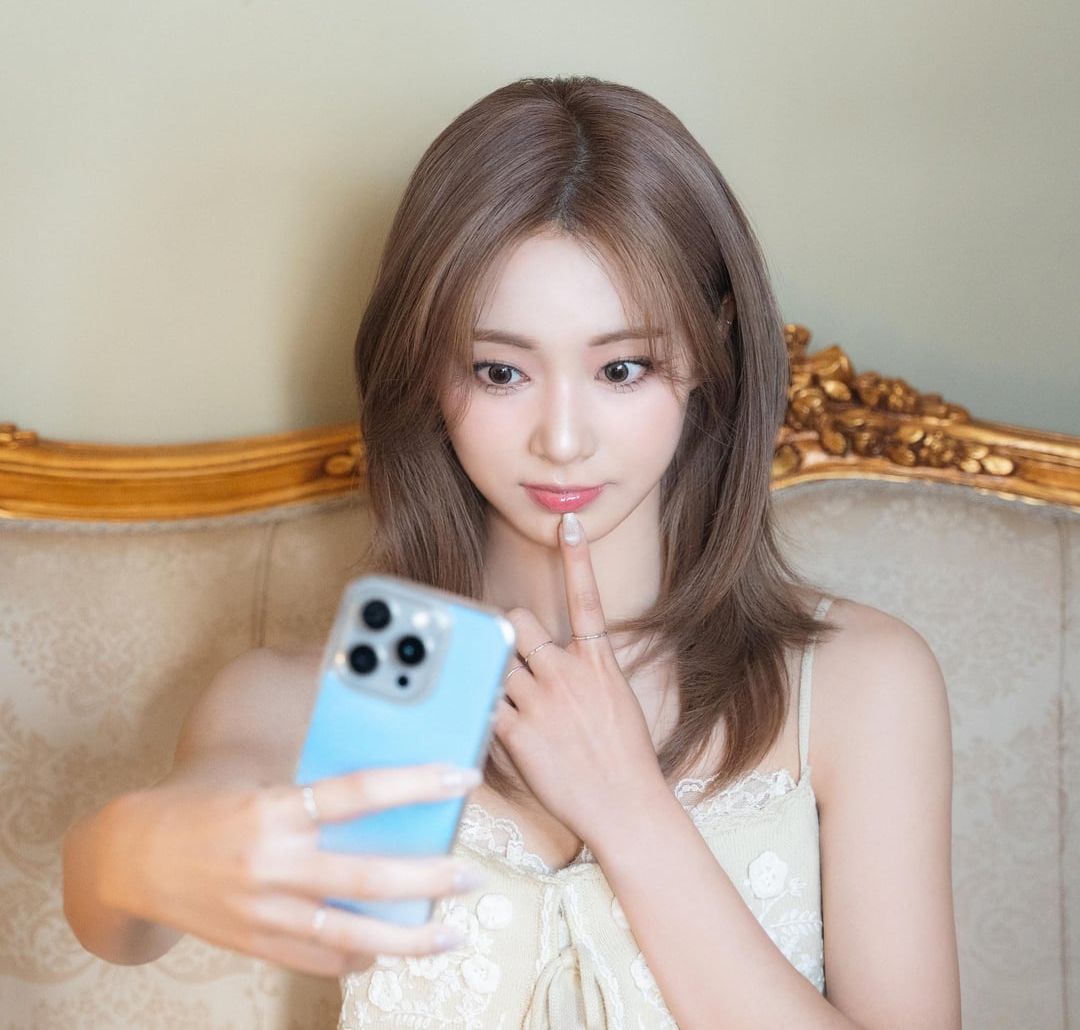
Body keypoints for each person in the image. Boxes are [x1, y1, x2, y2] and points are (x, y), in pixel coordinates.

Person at [63, 77, 960, 1028]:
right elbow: (116, 917)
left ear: (711, 351)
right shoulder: (313, 699)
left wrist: (630, 811)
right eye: (500, 371)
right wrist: (138, 852)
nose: (562, 439)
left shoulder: (860, 687)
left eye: (621, 368)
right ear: (428, 372)